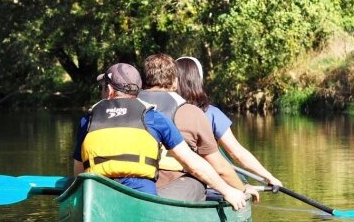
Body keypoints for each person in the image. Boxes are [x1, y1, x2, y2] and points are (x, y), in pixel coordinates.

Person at [72, 63, 247, 210]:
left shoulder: (88, 120)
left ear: (109, 90)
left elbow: (78, 172)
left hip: (98, 196)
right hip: (142, 196)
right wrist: (228, 191)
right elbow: (194, 164)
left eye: (101, 87)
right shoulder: (153, 118)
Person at [138, 54, 253, 202]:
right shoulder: (192, 113)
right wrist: (241, 189)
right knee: (199, 181)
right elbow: (219, 168)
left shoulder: (129, 109)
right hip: (175, 184)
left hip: (137, 183)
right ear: (175, 82)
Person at [175, 56, 283, 189]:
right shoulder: (211, 113)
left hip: (171, 180)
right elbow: (237, 153)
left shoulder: (162, 111)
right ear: (199, 81)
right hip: (209, 183)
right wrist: (269, 177)